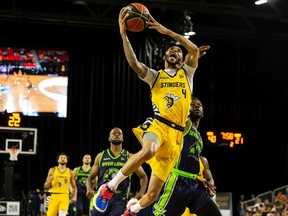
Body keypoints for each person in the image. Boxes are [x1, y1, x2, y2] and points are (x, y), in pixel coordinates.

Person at [93, 6, 210, 215]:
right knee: (149, 150)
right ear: (165, 57)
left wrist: (167, 31)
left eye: (178, 51)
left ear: (182, 61)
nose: (175, 51)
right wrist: (123, 34)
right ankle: (109, 187)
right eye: (171, 50)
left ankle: (132, 210)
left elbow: (193, 50)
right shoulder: (155, 77)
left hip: (176, 137)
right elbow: (134, 64)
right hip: (158, 124)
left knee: (153, 194)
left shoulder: (187, 74)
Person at [153, 97, 222, 216]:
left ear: (203, 112)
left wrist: (201, 179)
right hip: (178, 181)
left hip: (194, 183)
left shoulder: (199, 137)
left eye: (199, 105)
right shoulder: (185, 124)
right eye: (193, 105)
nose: (196, 106)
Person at [86, 127, 148, 216]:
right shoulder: (101, 156)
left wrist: (141, 193)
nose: (117, 135)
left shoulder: (129, 157)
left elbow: (143, 176)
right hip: (102, 195)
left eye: (119, 134)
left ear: (123, 138)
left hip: (120, 198)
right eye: (114, 133)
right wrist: (89, 189)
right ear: (109, 138)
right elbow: (90, 177)